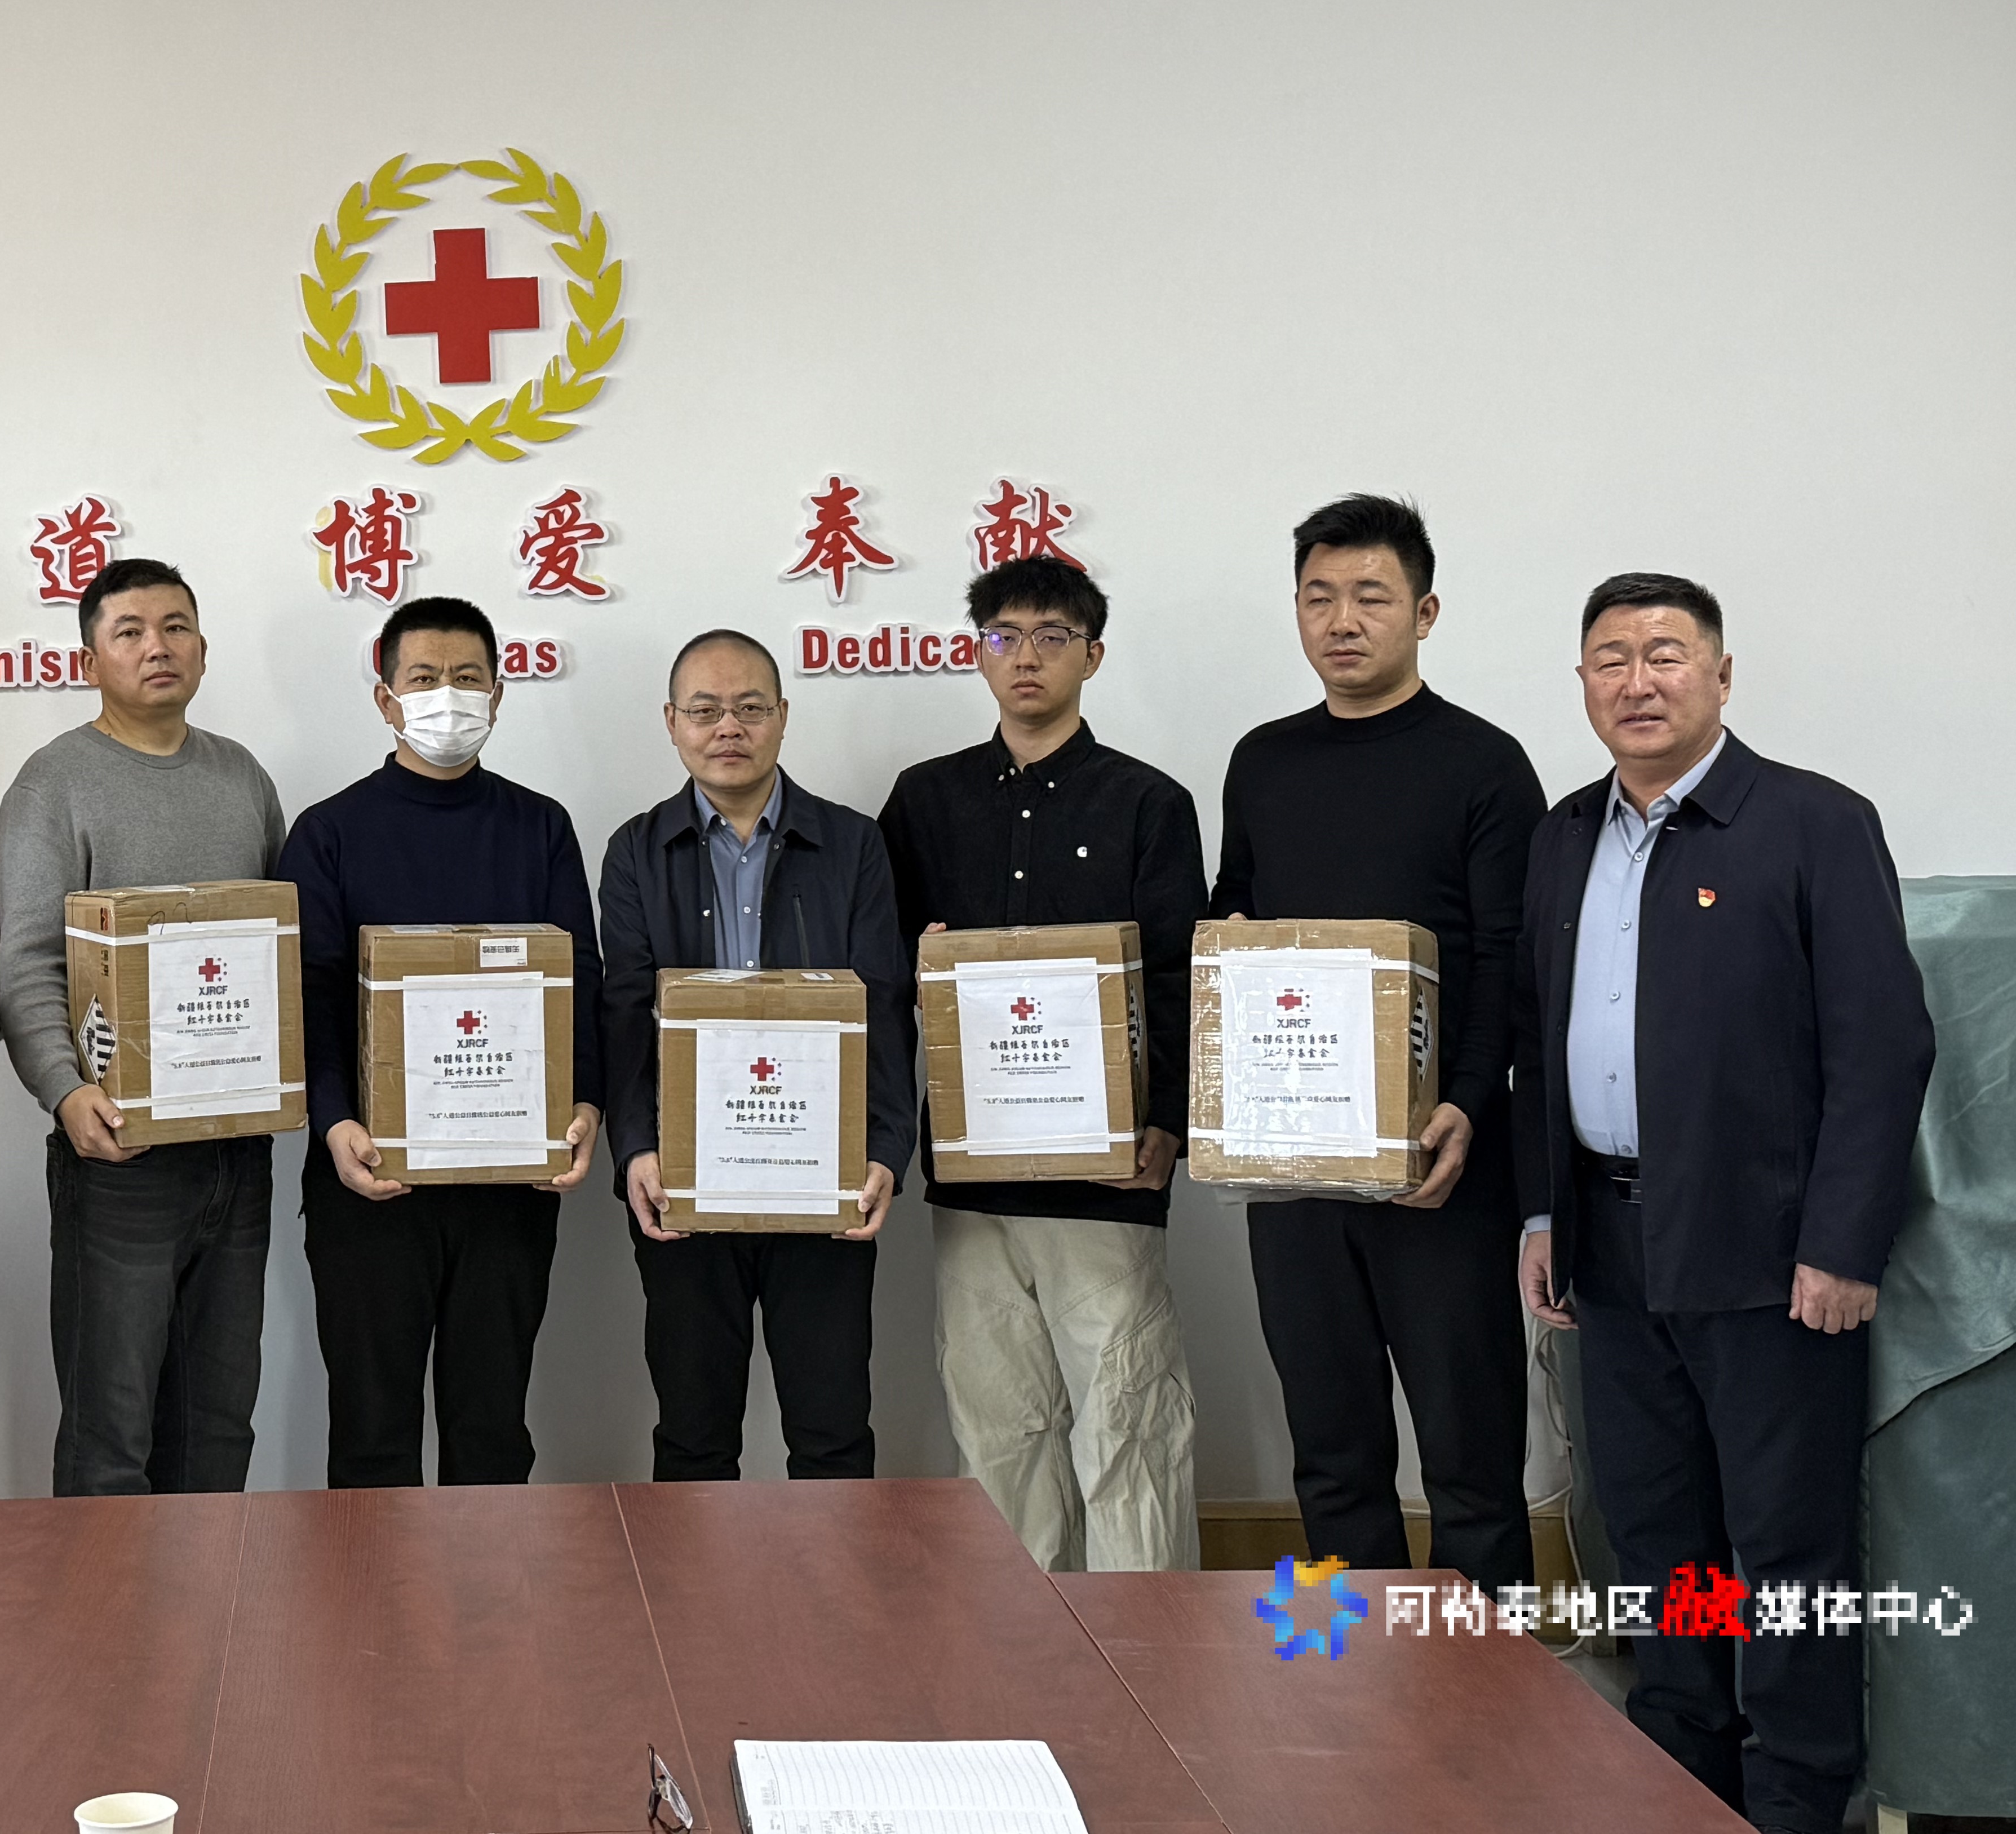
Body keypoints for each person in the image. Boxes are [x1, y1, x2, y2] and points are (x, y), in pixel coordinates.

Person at [1514, 576, 1933, 1834]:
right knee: (1660, 1540)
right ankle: (1680, 1776)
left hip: (1773, 1256)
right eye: (1610, 660)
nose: (1637, 682)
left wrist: (1843, 1244)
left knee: (1787, 1548)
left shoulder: (1813, 822)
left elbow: (1883, 1049)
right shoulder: (1562, 836)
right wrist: (1543, 1215)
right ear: (1582, 685)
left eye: (1665, 654)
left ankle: (1798, 1795)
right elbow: (1539, 1039)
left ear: (1722, 675)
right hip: (1611, 1244)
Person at [1211, 495, 1543, 1593]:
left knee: (1469, 1452)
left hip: (1441, 1160)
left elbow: (1508, 956)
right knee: (1332, 1446)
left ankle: (1484, 1674)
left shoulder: (1485, 765)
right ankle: (1358, 1676)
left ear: (1425, 612)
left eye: (1370, 597)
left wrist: (1468, 1106)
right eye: (1319, 597)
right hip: (1294, 1164)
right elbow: (1235, 916)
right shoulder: (1263, 761)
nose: (1341, 621)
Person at [878, 555, 1207, 1570]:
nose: (1027, 657)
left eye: (1053, 637)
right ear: (977, 655)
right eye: (1004, 636)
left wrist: (1170, 1126)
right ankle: (1022, 1645)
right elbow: (882, 978)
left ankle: (1144, 1644)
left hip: (1107, 1182)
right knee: (998, 1433)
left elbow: (1180, 978)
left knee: (1127, 1425)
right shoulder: (923, 802)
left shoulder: (1148, 802)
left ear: (1092, 656)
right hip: (972, 1183)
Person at [280, 595, 605, 1486]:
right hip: (370, 1178)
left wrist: (584, 1103)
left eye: (467, 678)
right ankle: (373, 1584)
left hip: (509, 1185)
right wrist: (334, 1122)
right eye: (424, 678)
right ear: (385, 698)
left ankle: (488, 1584)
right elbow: (308, 994)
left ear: (497, 695)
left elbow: (580, 979)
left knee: (492, 1429)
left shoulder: (540, 827)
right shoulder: (328, 832)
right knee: (372, 1434)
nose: (447, 696)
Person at [0, 558, 289, 1496]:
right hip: (118, 1156)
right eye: (129, 631)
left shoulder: (242, 777)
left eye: (175, 627)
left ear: (202, 649)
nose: (157, 646)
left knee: (218, 1424)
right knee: (110, 1435)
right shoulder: (54, 784)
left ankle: (209, 1597)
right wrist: (65, 1091)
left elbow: (278, 952)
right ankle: (106, 1603)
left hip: (237, 1152)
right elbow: (27, 961)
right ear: (91, 661)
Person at [599, 629, 914, 1479]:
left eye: (749, 708)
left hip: (824, 1176)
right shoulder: (636, 850)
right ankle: (694, 1579)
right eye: (705, 710)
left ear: (782, 717)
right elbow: (623, 1011)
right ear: (672, 722)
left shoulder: (853, 845)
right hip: (685, 1182)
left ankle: (836, 1575)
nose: (728, 727)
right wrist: (637, 1149)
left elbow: (884, 1004)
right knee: (694, 1435)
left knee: (833, 1430)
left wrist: (886, 1150)